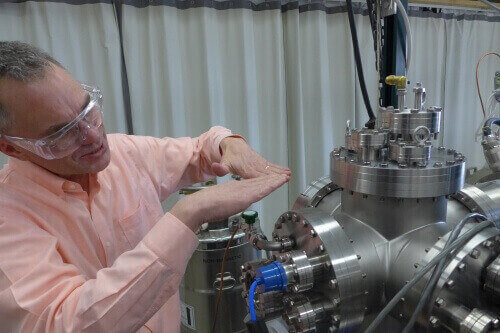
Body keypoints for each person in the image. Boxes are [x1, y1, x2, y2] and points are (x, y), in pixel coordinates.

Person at [0, 41, 290, 332]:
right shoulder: (8, 218)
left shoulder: (124, 153)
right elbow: (68, 323)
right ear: (12, 148)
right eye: (62, 133)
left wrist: (229, 143)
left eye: (87, 109)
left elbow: (199, 150)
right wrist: (189, 214)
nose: (92, 135)